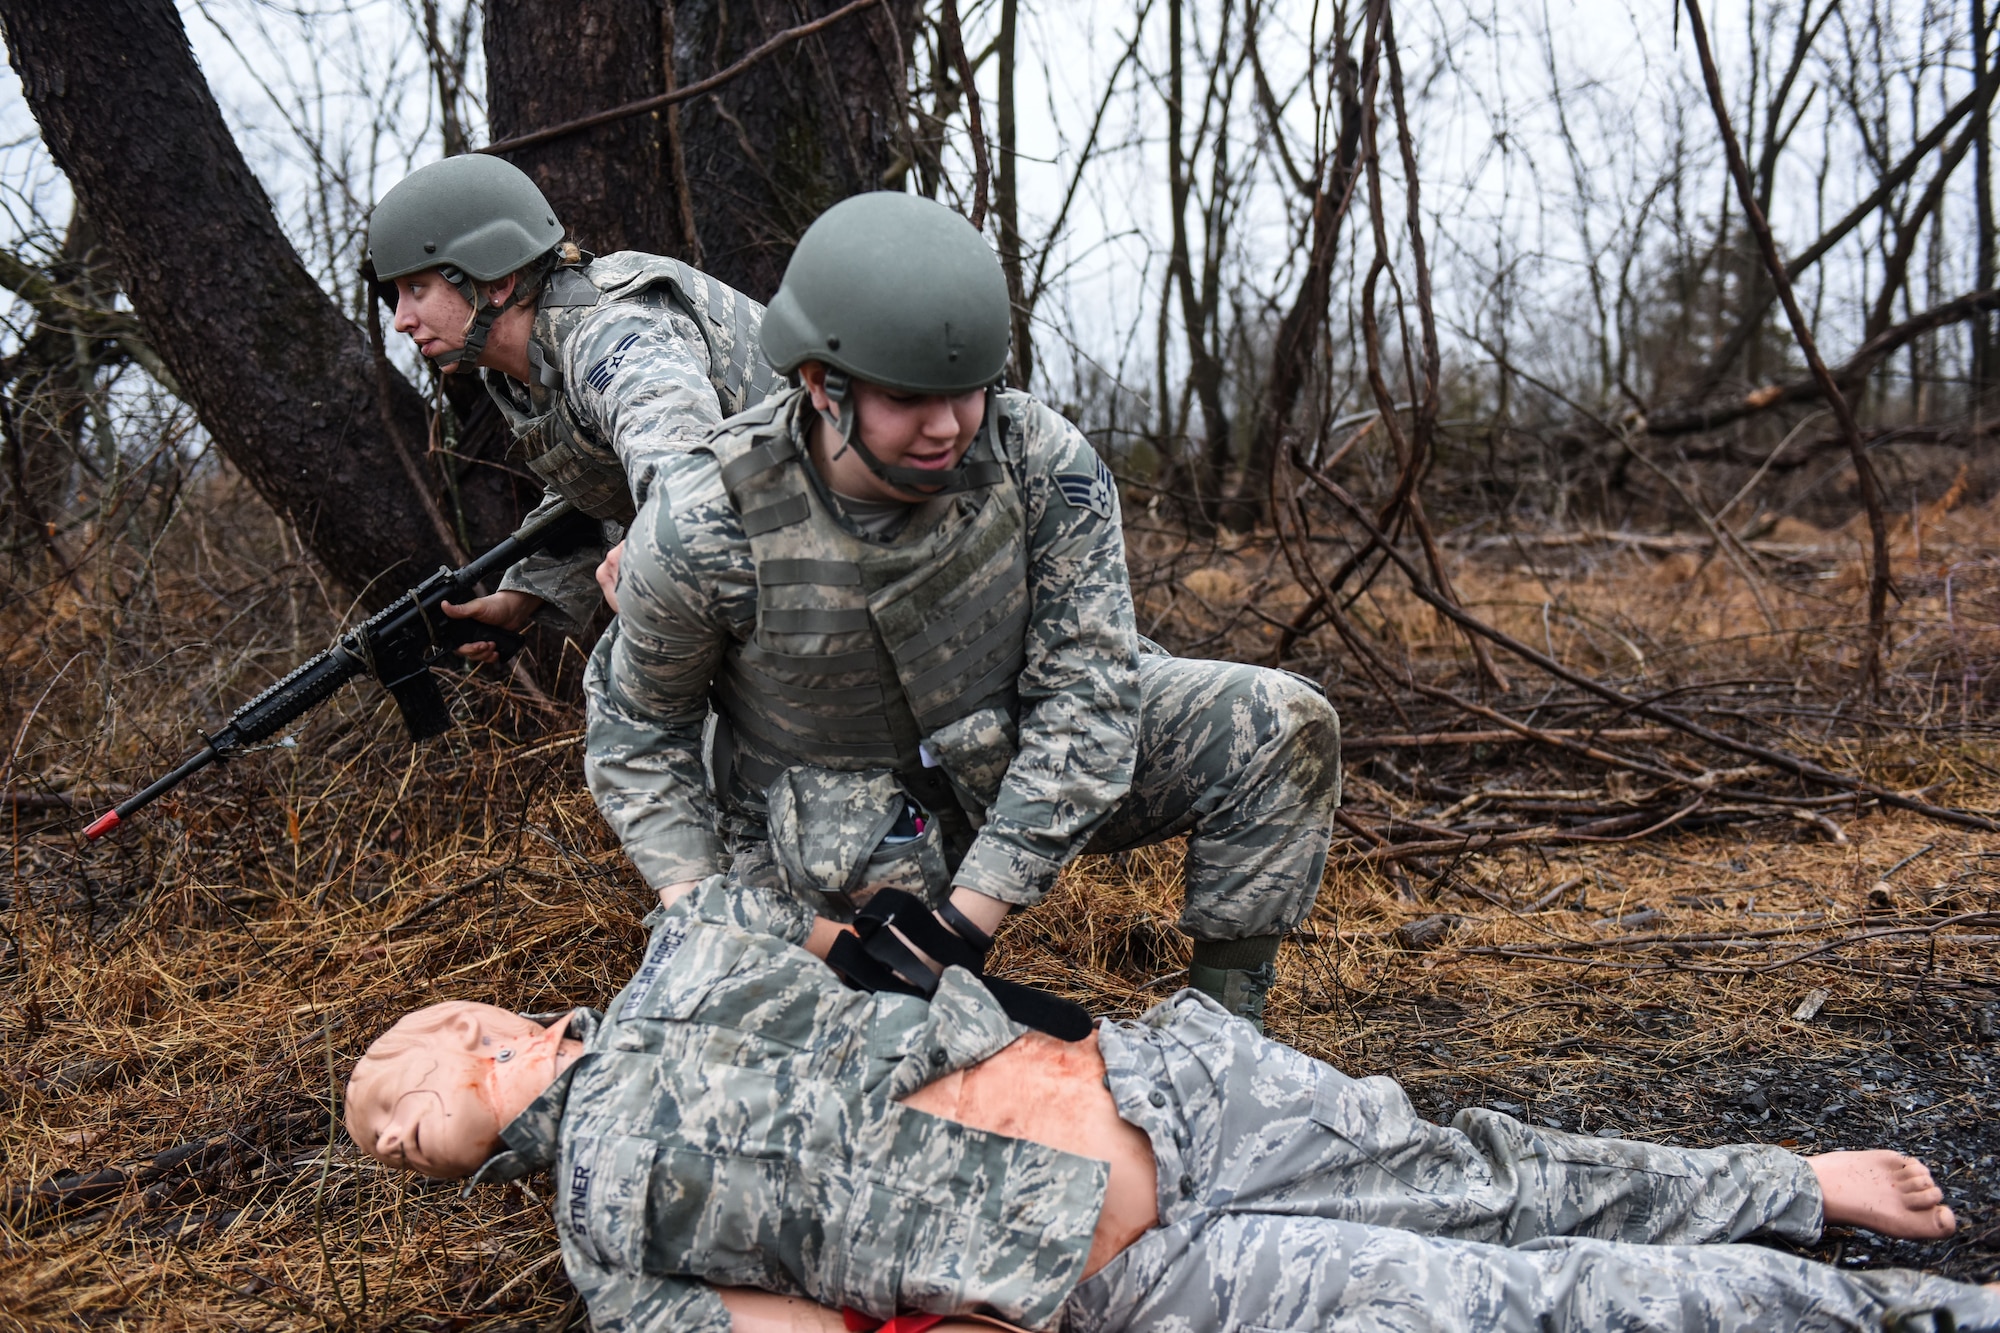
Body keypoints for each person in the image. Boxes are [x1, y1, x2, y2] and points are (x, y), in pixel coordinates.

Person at [345, 881, 2000, 1333]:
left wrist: (900, 937)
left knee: (1496, 1171)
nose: (425, 1121)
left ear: (498, 1026)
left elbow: (859, 898)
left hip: (1164, 1078)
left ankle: (1792, 1176)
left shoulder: (687, 950)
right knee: (1517, 1295)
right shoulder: (607, 1242)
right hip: (1142, 1275)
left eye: (430, 1081)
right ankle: (1916, 1315)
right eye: (413, 1146)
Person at [585, 191, 1341, 1026]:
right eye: (909, 397)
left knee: (1277, 724)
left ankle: (1224, 1039)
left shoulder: (1034, 459)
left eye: (968, 389)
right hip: (821, 835)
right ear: (820, 384)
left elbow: (1089, 690)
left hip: (1009, 755)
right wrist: (707, 906)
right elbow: (639, 729)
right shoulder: (705, 519)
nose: (948, 426)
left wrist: (967, 920)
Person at [366, 154, 778, 653]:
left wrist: (655, 547)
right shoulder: (530, 365)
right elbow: (601, 477)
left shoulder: (608, 335)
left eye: (417, 289)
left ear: (495, 283)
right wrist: (525, 594)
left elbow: (678, 455)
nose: (401, 319)